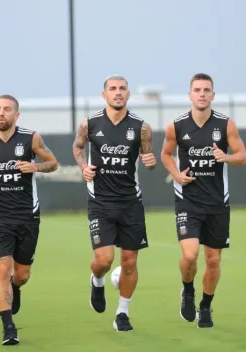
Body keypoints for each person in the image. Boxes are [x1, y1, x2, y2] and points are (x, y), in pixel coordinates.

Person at [0, 94, 58, 345]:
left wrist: (36, 167)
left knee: (22, 274)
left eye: (7, 109)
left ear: (16, 115)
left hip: (27, 216)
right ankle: (9, 328)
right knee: (1, 268)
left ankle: (15, 288)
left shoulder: (31, 138)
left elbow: (53, 163)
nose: (1, 113)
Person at [160, 73, 246, 328]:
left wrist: (226, 158)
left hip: (217, 203)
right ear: (190, 95)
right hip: (188, 201)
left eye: (206, 90)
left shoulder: (226, 124)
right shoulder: (176, 126)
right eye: (197, 90)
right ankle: (188, 290)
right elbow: (165, 154)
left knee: (213, 260)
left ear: (213, 95)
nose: (201, 94)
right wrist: (176, 174)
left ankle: (206, 306)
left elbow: (242, 156)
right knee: (190, 256)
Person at [72, 74, 157, 332]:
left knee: (129, 262)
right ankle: (96, 280)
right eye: (113, 89)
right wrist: (83, 166)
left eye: (122, 89)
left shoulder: (142, 128)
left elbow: (148, 158)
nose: (118, 92)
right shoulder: (89, 124)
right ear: (104, 95)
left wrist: (151, 163)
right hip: (100, 202)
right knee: (105, 260)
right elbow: (77, 148)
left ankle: (122, 313)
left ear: (128, 94)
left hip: (131, 203)